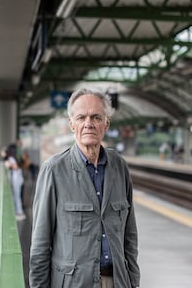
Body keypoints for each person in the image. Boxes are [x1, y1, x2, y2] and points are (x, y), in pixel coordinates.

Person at [29, 88, 140, 288]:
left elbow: (130, 236)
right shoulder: (54, 170)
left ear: (106, 123)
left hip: (116, 281)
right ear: (72, 124)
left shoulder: (119, 166)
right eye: (81, 117)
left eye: (96, 117)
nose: (88, 124)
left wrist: (133, 282)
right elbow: (40, 244)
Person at [4, 146, 26, 221]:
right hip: (18, 180)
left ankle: (20, 213)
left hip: (17, 180)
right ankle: (18, 212)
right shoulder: (14, 157)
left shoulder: (11, 159)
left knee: (17, 196)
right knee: (17, 196)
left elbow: (15, 167)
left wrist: (9, 164)